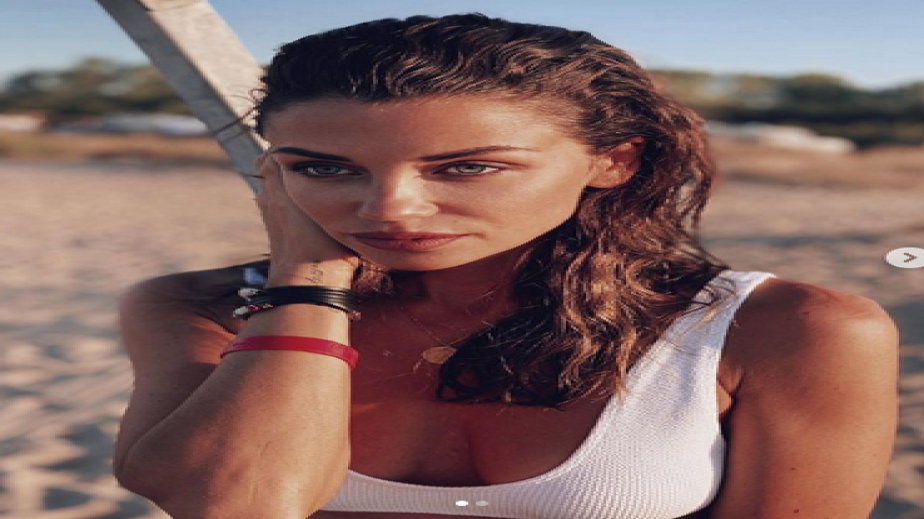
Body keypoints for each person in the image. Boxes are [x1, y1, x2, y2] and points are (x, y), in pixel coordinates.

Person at [112, 13, 898, 519]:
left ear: (615, 161)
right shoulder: (198, 308)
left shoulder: (787, 330)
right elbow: (235, 503)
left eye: (467, 166)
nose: (389, 208)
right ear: (274, 173)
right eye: (324, 167)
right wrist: (307, 281)